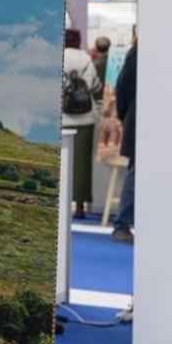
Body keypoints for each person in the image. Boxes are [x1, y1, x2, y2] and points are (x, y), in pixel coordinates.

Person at [61, 28, 100, 220]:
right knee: (82, 165)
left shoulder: (58, 57)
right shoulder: (86, 60)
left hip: (62, 119)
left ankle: (60, 202)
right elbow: (95, 86)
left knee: (60, 160)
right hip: (85, 119)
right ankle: (80, 206)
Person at [112, 41, 137, 244]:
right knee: (135, 173)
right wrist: (125, 115)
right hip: (139, 121)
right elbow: (124, 86)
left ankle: (124, 223)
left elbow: (123, 86)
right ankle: (122, 224)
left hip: (137, 118)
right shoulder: (139, 52)